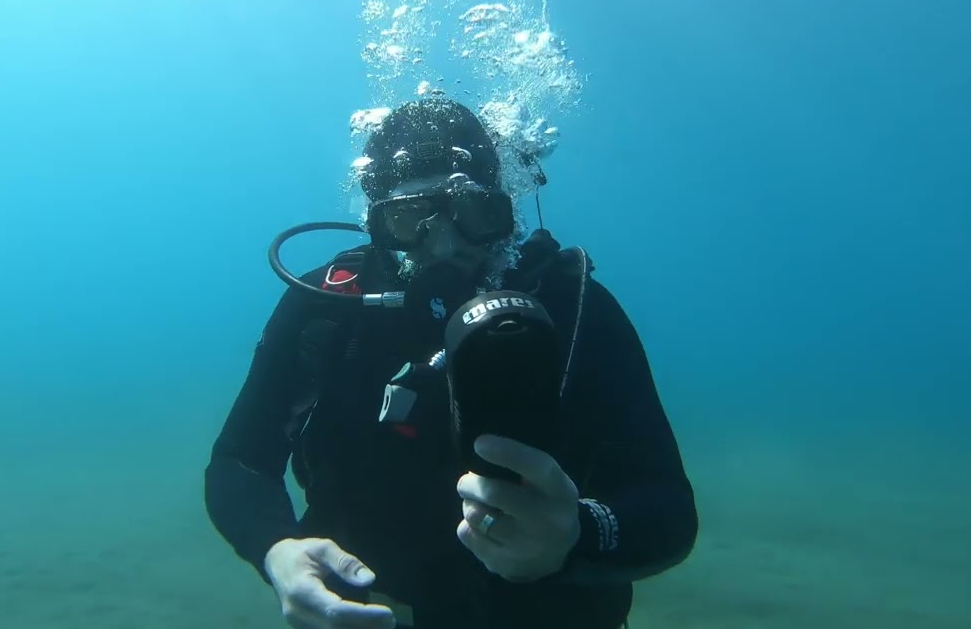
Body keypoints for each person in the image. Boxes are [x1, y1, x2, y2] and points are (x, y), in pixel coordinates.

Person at [204, 97, 698, 629]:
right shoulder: (328, 307)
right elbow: (241, 461)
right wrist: (275, 549)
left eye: (474, 215)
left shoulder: (571, 309)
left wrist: (578, 534)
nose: (443, 246)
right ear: (376, 224)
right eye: (410, 218)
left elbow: (666, 505)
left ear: (505, 214)